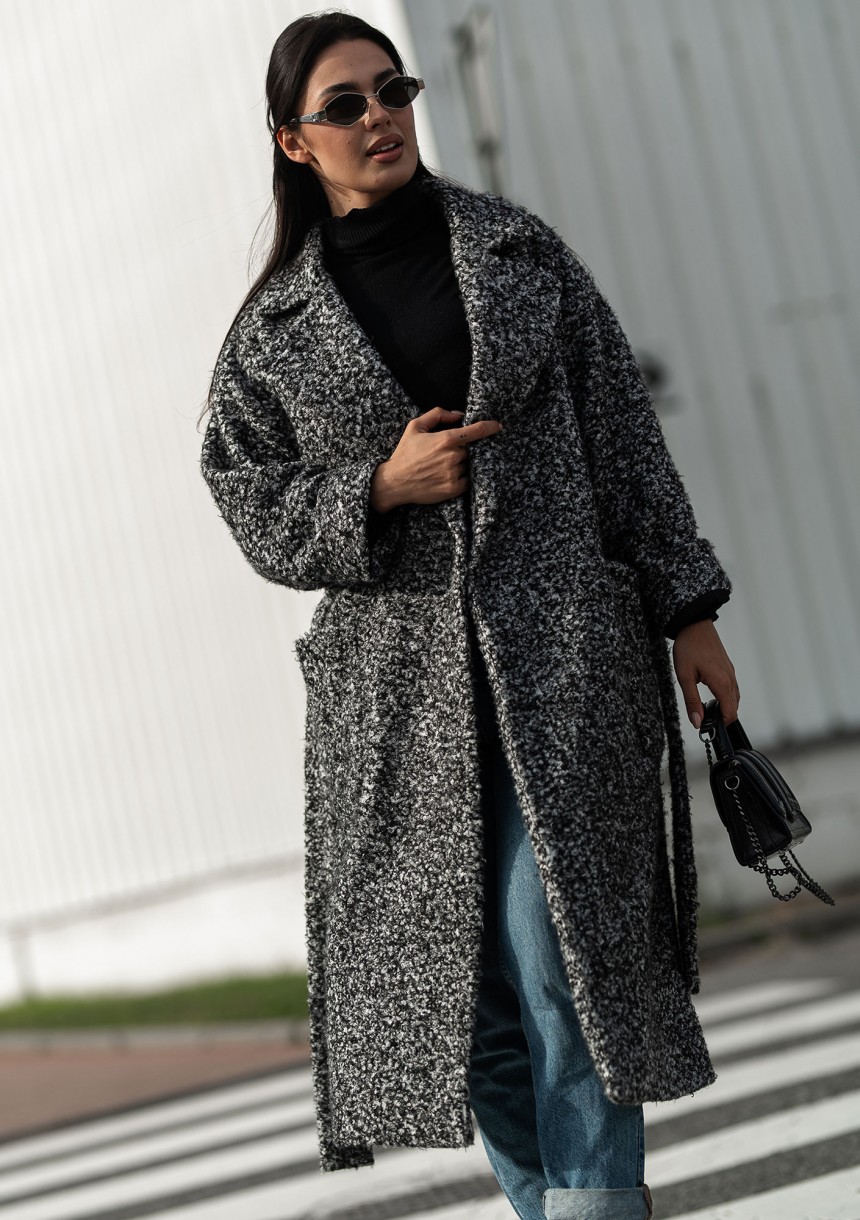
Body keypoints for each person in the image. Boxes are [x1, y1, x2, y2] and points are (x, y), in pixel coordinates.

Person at [198, 12, 740, 1220]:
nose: (379, 116)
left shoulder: (516, 252)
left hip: (566, 659)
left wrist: (688, 609)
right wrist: (375, 488)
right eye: (344, 105)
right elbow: (247, 499)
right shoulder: (270, 336)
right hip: (396, 705)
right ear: (293, 141)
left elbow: (622, 436)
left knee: (561, 956)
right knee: (468, 1000)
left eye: (391, 89)